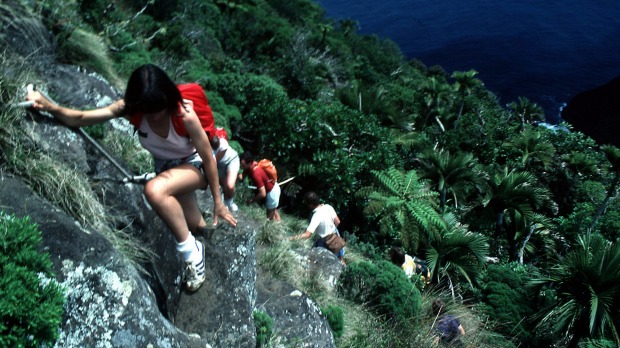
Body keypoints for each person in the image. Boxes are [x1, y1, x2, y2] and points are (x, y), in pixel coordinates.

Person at [26, 64, 237, 292]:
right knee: (196, 226)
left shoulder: (184, 114)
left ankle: (190, 253)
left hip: (195, 166)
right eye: (148, 111)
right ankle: (202, 248)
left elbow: (208, 156)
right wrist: (49, 106)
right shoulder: (132, 109)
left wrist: (218, 202)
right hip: (168, 168)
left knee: (155, 191)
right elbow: (81, 117)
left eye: (159, 109)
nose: (154, 116)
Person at [290, 192, 346, 266]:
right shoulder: (328, 207)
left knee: (314, 261)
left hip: (325, 242)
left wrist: (291, 238)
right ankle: (346, 271)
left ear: (310, 205)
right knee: (341, 259)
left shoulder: (316, 216)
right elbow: (337, 221)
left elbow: (307, 235)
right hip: (336, 237)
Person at [239, 151, 281, 222]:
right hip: (273, 189)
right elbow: (242, 176)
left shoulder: (256, 173)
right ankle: (280, 225)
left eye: (243, 166)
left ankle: (276, 230)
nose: (241, 167)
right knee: (274, 212)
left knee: (270, 218)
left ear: (249, 163)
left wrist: (251, 200)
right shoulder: (252, 165)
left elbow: (262, 194)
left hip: (272, 193)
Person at [210, 133, 239, 212]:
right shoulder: (207, 148)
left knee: (230, 186)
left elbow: (215, 161)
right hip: (220, 165)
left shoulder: (223, 144)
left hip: (231, 160)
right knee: (224, 186)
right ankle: (224, 203)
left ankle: (230, 202)